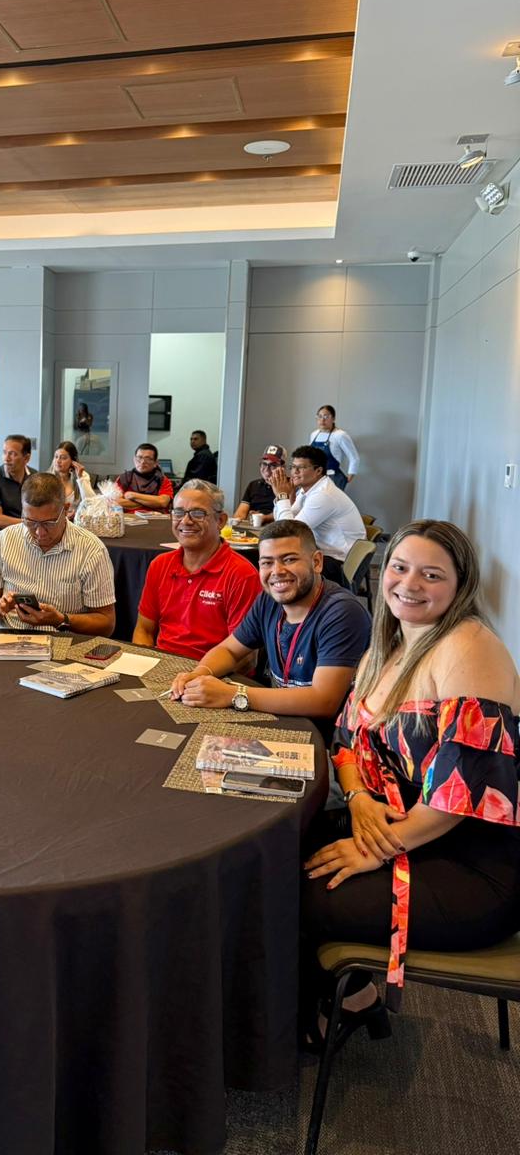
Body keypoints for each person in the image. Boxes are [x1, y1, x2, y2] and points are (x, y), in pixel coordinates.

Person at [301, 520, 520, 1040]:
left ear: (460, 585)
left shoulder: (471, 650)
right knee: (279, 854)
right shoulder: (392, 642)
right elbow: (346, 739)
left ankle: (345, 1004)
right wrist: (356, 799)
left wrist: (378, 848)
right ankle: (346, 996)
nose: (409, 584)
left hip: (474, 867)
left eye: (431, 574)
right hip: (406, 835)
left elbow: (458, 795)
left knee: (297, 892)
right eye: (399, 568)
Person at [170, 520, 371, 740]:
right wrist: (200, 674)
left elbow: (324, 701)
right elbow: (229, 650)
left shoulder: (342, 612)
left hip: (329, 739)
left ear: (316, 562)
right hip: (281, 717)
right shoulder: (268, 601)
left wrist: (234, 695)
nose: (277, 571)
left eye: (289, 559)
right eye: (267, 563)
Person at [132, 480, 260, 661]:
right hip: (161, 669)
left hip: (215, 677)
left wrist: (196, 677)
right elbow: (144, 630)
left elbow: (246, 658)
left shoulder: (242, 575)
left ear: (221, 521)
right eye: (178, 513)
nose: (185, 521)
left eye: (198, 513)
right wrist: (141, 666)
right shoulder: (160, 565)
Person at [0, 472, 116, 636]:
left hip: (65, 643)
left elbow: (107, 624)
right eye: (30, 522)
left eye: (49, 523)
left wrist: (61, 620)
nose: (39, 532)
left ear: (65, 509)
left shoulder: (91, 550)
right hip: (12, 639)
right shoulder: (6, 539)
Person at [268, 445, 365, 583]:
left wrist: (281, 495)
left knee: (278, 564)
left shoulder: (323, 495)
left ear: (318, 470)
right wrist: (286, 495)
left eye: (300, 468)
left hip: (337, 563)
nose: (294, 472)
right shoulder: (307, 490)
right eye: (292, 467)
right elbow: (283, 524)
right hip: (323, 554)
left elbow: (289, 531)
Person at [0, 434, 34, 555]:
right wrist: (30, 523)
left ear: (26, 458)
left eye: (12, 454)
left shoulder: (35, 477)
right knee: (22, 559)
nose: (6, 458)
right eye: (5, 452)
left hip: (26, 533)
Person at [232, 444, 286, 524]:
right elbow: (240, 514)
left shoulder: (289, 485)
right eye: (264, 464)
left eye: (273, 465)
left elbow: (288, 514)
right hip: (253, 529)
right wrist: (236, 521)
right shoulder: (253, 485)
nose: (267, 469)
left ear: (282, 467)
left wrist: (264, 518)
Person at [309, 404, 359, 491]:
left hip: (332, 478)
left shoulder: (340, 435)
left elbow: (354, 457)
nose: (322, 420)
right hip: (315, 477)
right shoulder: (314, 434)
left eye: (326, 416)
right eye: (319, 416)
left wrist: (350, 475)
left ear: (333, 418)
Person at [115, 443, 174, 511]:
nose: (142, 462)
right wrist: (151, 502)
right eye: (139, 458)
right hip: (129, 519)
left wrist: (132, 495)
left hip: (155, 519)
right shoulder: (124, 478)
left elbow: (163, 502)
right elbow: (115, 502)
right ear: (134, 459)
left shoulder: (162, 480)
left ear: (156, 463)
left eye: (148, 459)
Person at [48, 439, 95, 515]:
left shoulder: (82, 476)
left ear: (73, 461)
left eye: (63, 458)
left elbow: (92, 502)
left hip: (76, 521)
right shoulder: (47, 478)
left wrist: (80, 478)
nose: (58, 461)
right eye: (56, 457)